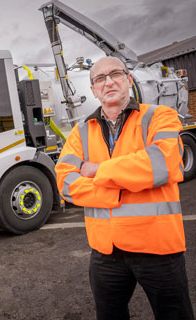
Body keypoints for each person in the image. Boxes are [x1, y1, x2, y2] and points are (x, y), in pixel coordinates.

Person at [55, 56, 194, 320]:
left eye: (115, 74)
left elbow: (162, 164)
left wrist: (99, 170)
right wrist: (118, 189)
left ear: (129, 80)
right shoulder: (80, 132)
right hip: (106, 253)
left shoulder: (159, 116)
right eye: (99, 79)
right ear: (93, 90)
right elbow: (65, 184)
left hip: (158, 248)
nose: (108, 82)